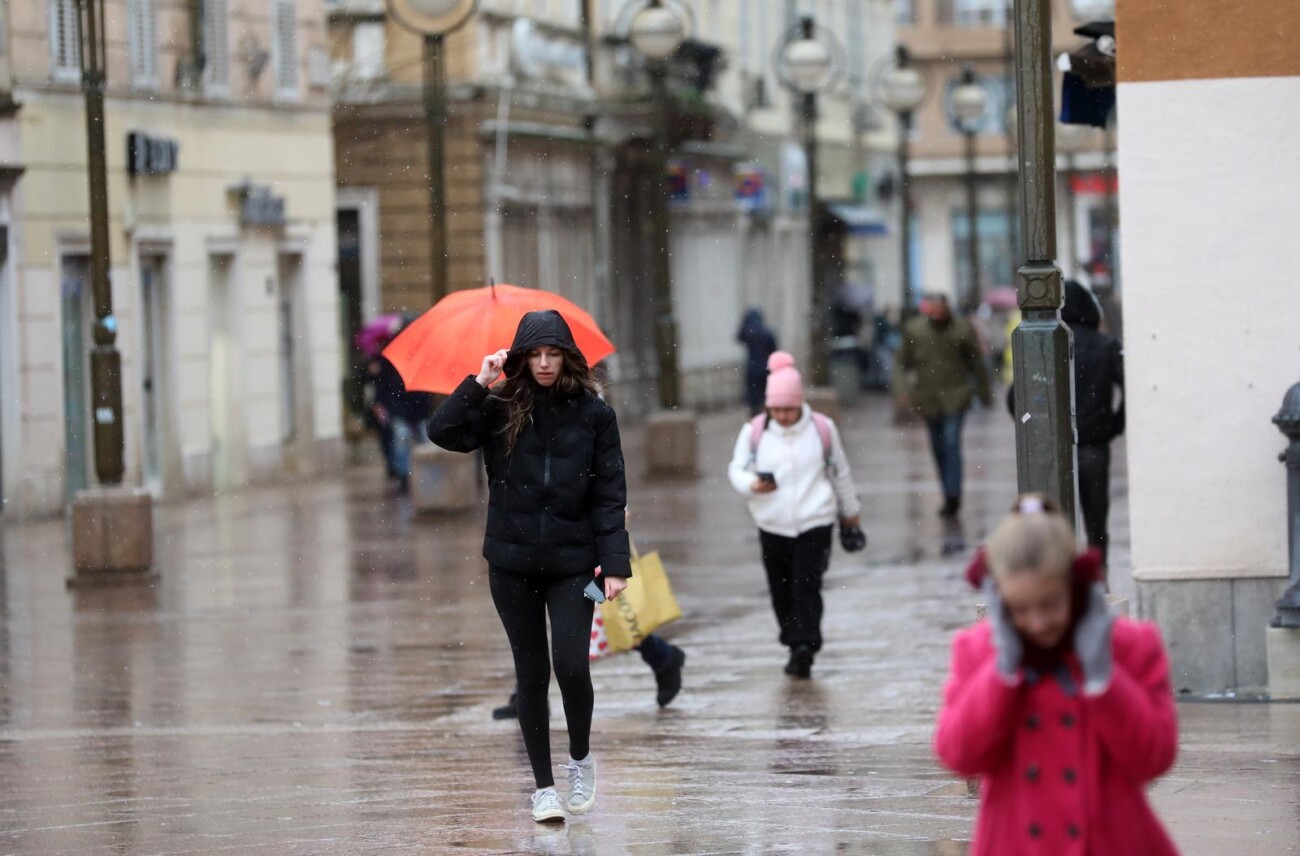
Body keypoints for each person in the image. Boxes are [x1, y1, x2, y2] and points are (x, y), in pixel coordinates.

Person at [427, 309, 631, 824]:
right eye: (535, 354)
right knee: (531, 672)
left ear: (567, 356)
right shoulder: (498, 407)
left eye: (552, 353)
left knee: (571, 665)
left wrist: (615, 564)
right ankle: (543, 788)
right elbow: (442, 431)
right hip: (511, 561)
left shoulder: (594, 415)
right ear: (521, 357)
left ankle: (580, 758)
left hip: (573, 563)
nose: (543, 364)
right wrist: (479, 381)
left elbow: (610, 495)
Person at [934, 495, 1179, 856]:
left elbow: (1154, 758)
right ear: (1000, 601)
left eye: (1050, 604)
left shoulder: (1130, 647)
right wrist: (1002, 673)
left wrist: (1103, 678)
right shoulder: (978, 651)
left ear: (1074, 587)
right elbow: (959, 756)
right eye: (1019, 609)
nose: (1037, 623)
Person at [726, 351, 862, 678]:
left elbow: (839, 472)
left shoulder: (822, 429)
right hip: (771, 522)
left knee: (806, 584)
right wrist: (751, 484)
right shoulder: (756, 432)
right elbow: (736, 468)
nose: (783, 416)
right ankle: (792, 637)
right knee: (780, 587)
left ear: (800, 403)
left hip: (815, 520)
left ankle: (805, 645)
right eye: (776, 409)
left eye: (788, 408)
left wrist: (850, 512)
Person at [1007, 281, 1124, 568]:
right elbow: (1128, 388)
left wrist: (1035, 429)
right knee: (1096, 520)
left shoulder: (1047, 344)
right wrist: (1113, 425)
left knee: (1056, 521)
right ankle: (1097, 577)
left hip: (1055, 448)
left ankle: (1063, 577)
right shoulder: (1105, 345)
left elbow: (1015, 396)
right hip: (1094, 444)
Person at [894, 293, 992, 518]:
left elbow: (976, 363)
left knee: (951, 443)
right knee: (938, 448)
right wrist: (901, 390)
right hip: (928, 399)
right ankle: (948, 490)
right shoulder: (915, 330)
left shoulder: (962, 329)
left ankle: (953, 494)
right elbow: (901, 362)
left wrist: (984, 395)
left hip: (955, 397)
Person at [736, 308, 778, 415]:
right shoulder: (767, 333)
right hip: (766, 369)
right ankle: (767, 416)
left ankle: (755, 419)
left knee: (754, 400)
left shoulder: (748, 333)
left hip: (752, 370)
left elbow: (738, 337)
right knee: (767, 396)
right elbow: (774, 351)